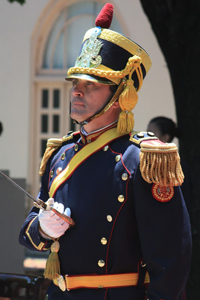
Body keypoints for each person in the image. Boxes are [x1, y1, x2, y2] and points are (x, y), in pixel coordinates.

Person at [19, 3, 192, 300]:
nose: (76, 91)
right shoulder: (60, 155)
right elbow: (27, 235)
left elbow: (170, 261)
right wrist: (44, 228)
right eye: (75, 83)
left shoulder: (143, 160)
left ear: (120, 95)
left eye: (91, 85)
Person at [147, 116, 194, 214]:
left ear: (165, 138)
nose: (146, 137)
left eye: (151, 133)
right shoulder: (145, 164)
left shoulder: (179, 167)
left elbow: (186, 201)